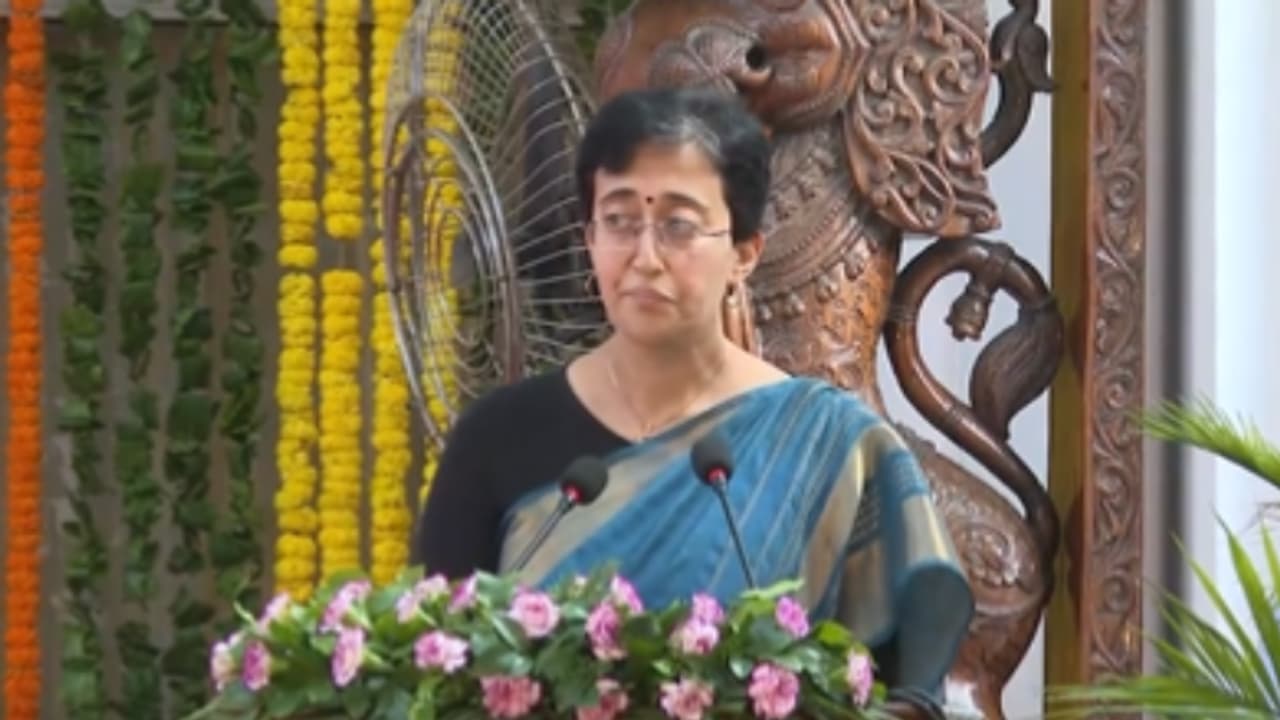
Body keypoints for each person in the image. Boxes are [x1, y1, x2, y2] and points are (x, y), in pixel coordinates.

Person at [411, 87, 972, 717]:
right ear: (588, 238)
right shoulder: (497, 437)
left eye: (678, 225)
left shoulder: (829, 445)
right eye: (620, 221)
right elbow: (432, 673)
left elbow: (908, 682)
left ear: (743, 253)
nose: (645, 258)